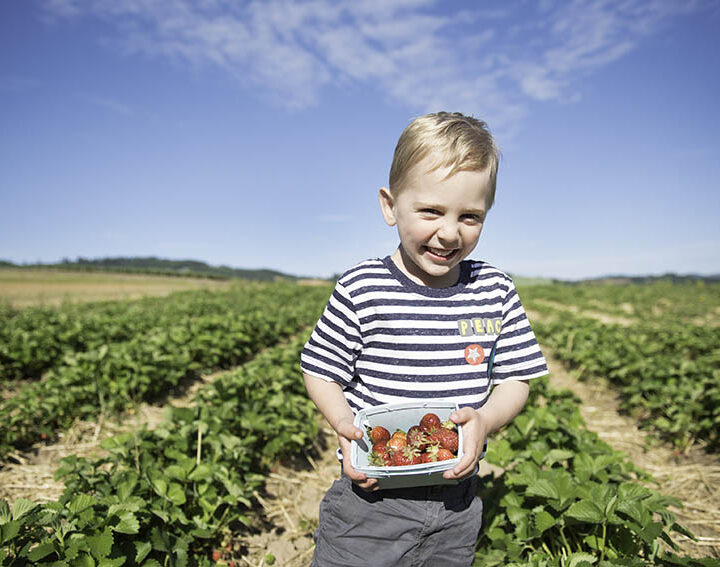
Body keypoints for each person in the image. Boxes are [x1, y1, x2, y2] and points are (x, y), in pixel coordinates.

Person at [301, 111, 548, 566]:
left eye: (470, 216)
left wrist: (486, 420)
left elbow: (516, 379)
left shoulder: (494, 290)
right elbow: (320, 370)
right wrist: (344, 425)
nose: (450, 232)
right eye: (431, 211)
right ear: (390, 206)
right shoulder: (362, 287)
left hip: (457, 499)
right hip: (371, 500)